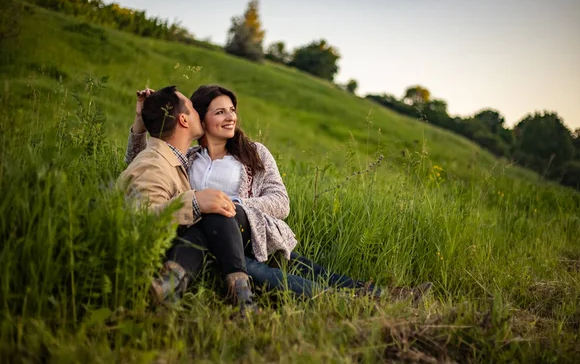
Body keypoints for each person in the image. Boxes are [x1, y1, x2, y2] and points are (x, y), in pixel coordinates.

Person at [127, 85, 432, 303]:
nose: (230, 117)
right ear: (200, 119)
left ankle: (381, 294)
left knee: (310, 270)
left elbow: (280, 202)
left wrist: (233, 205)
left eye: (232, 110)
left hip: (257, 234)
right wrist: (140, 126)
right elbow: (145, 165)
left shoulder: (253, 154)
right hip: (216, 243)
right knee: (283, 275)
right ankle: (364, 300)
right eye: (219, 112)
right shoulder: (189, 157)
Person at [117, 86, 258, 314]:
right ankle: (243, 300)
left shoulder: (173, 158)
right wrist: (194, 203)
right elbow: (137, 216)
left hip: (216, 238)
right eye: (193, 109)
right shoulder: (154, 163)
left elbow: (141, 162)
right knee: (261, 269)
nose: (198, 114)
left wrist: (144, 119)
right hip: (167, 250)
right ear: (183, 120)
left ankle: (171, 287)